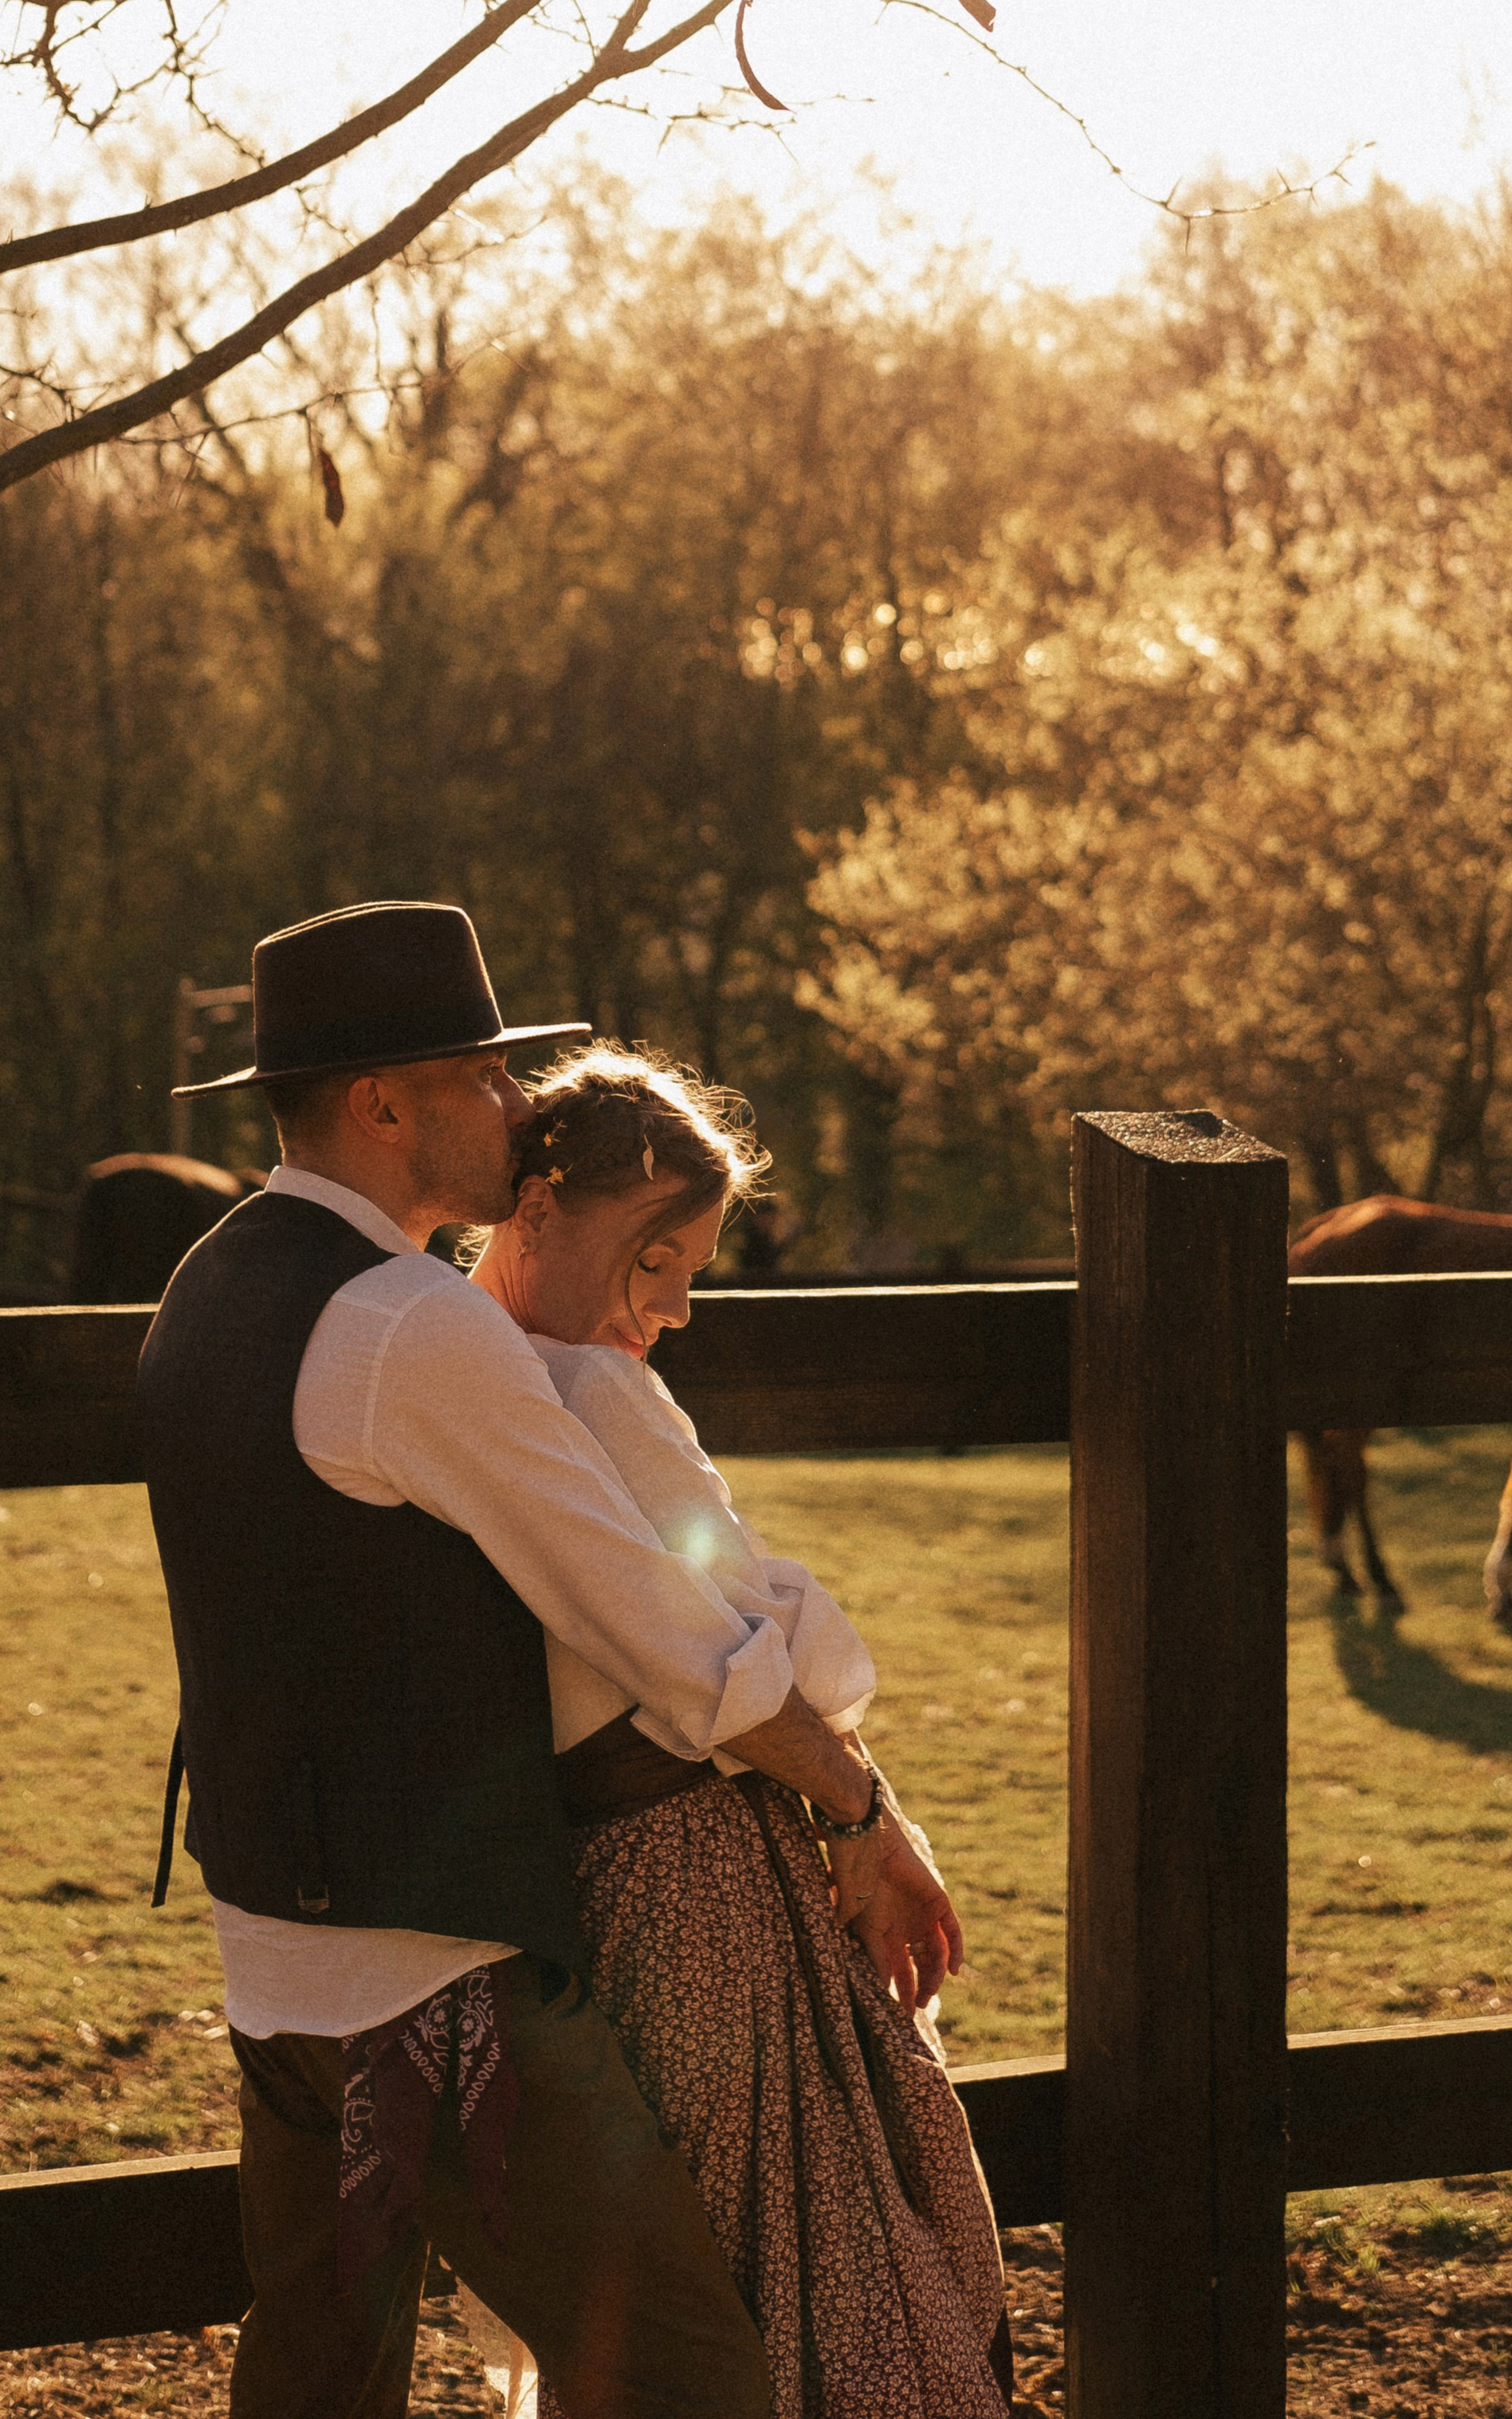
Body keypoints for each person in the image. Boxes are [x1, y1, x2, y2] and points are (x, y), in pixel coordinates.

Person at [139, 900, 950, 2419]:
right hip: (440, 1994)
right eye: (484, 1074)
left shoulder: (209, 1286)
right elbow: (659, 1622)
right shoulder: (410, 1327)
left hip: (273, 1979)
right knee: (693, 2382)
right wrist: (857, 1806)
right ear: (385, 1102)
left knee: (320, 2386)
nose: (521, 1107)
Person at [462, 1046, 1015, 2419]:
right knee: (800, 2243)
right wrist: (854, 1788)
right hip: (696, 1868)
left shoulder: (469, 1370)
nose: (675, 1307)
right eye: (655, 1259)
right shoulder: (588, 1391)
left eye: (692, 1269)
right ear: (536, 1212)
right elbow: (778, 1641)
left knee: (685, 2248)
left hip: (587, 1872)